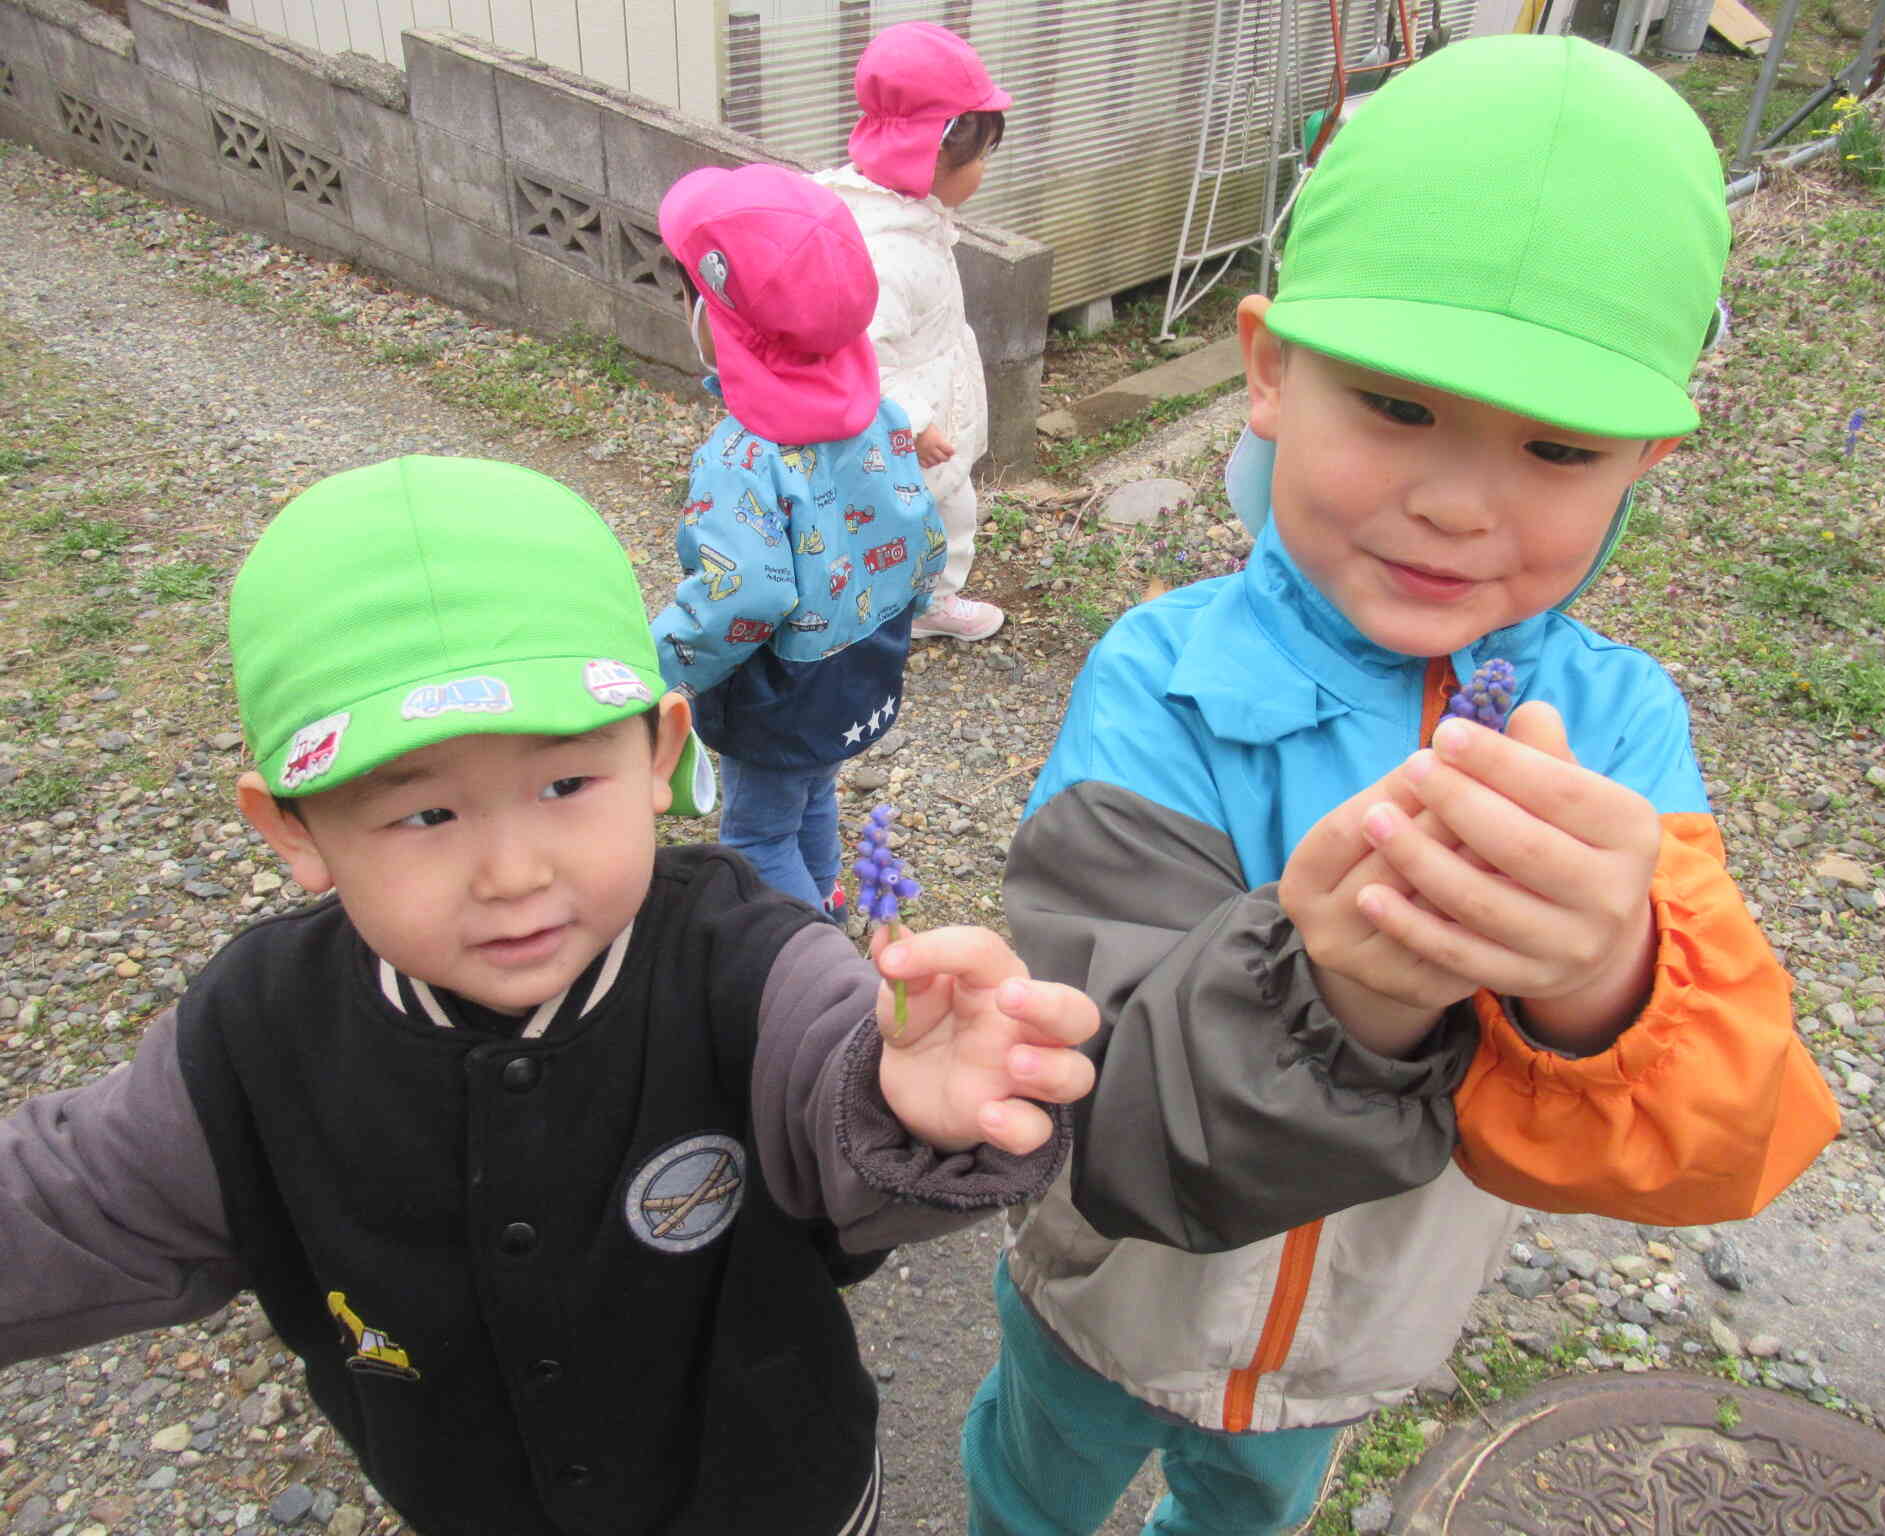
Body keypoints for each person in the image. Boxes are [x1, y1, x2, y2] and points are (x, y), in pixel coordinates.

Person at [963, 37, 1842, 1536]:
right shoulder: (1166, 681)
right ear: (1266, 370)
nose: (1457, 500)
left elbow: (1725, 1137)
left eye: (1557, 445)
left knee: (1245, 1509)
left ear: (1644, 459)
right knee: (1033, 1484)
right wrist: (1341, 999)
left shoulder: (1616, 735)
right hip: (1115, 1301)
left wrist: (1603, 984)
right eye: (1398, 407)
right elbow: (1096, 1108)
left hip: (1351, 1345)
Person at [0, 453, 1102, 1536]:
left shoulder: (740, 956)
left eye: (566, 784)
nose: (513, 872)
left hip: (784, 1497)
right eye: (425, 814)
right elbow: (68, 1203)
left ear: (662, 750)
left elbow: (829, 1063)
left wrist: (898, 1092)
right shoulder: (251, 1037)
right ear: (292, 829)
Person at [651, 163, 947, 917]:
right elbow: (923, 537)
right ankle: (825, 901)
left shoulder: (742, 454)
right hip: (863, 665)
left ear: (716, 318)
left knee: (754, 835)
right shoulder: (877, 413)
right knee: (811, 790)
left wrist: (658, 664)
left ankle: (808, 964)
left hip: (778, 691)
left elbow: (745, 591)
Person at [818, 20, 1011, 643]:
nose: (984, 170)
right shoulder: (890, 253)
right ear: (932, 150)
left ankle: (883, 596)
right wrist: (915, 421)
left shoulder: (881, 209)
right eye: (980, 155)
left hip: (918, 405)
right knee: (941, 509)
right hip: (910, 427)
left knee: (886, 513)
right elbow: (863, 354)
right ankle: (926, 602)